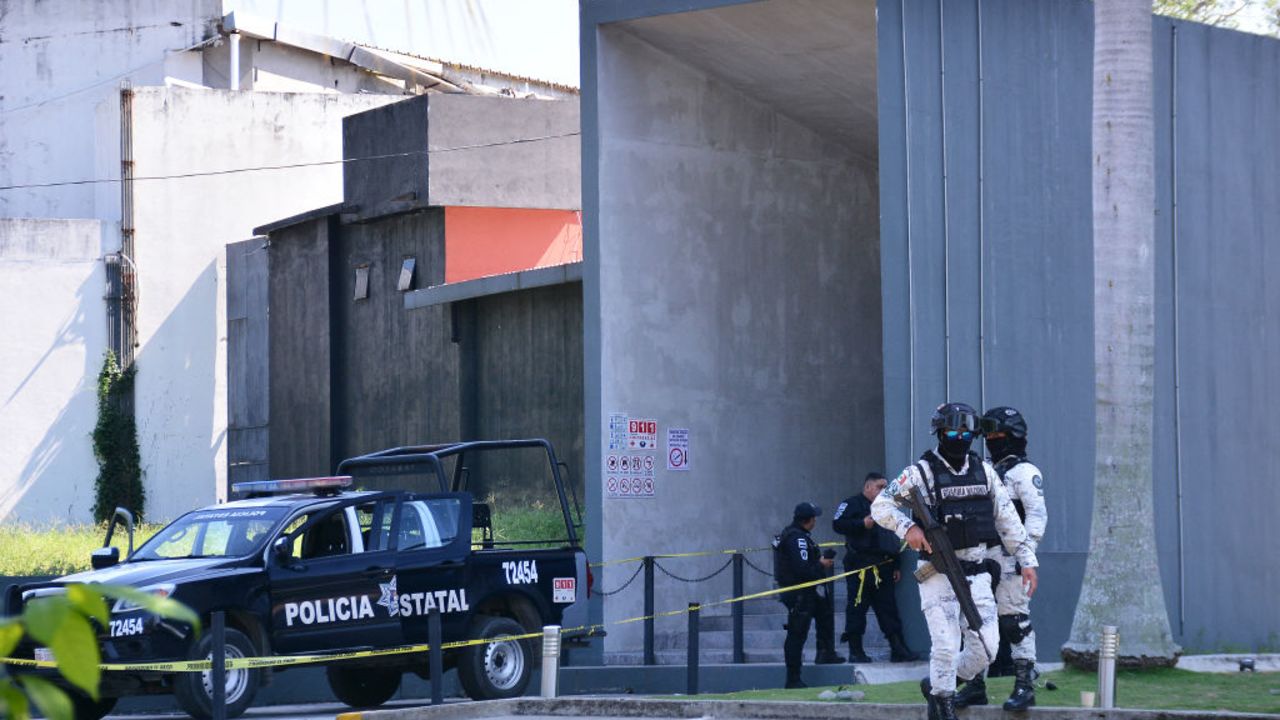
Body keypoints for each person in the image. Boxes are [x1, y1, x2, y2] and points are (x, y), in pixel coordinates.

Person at [871, 402, 1038, 720]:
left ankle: (937, 684)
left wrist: (1027, 559)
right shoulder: (920, 472)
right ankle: (943, 703)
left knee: (987, 648)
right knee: (945, 646)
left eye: (965, 431)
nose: (958, 437)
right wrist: (908, 527)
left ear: (974, 434)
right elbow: (881, 505)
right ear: (938, 431)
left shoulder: (984, 471)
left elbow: (1006, 519)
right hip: (937, 573)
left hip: (976, 573)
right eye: (951, 430)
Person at [956, 406, 1047, 711]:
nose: (993, 440)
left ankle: (1024, 685)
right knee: (974, 620)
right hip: (980, 554)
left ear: (1014, 435)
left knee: (1013, 622)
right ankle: (974, 684)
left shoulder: (1025, 472)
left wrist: (1027, 555)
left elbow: (1036, 515)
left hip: (1011, 556)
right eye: (990, 435)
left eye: (998, 435)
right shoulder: (982, 468)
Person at [832, 471, 921, 663]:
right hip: (861, 566)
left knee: (888, 609)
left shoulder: (887, 507)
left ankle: (898, 648)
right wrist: (861, 524)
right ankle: (855, 651)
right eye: (880, 487)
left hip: (884, 566)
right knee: (857, 608)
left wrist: (896, 564)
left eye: (885, 487)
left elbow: (893, 538)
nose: (883, 490)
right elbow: (837, 524)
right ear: (868, 487)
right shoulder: (851, 504)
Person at [773, 501, 840, 688]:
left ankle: (825, 653)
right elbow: (802, 569)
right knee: (797, 634)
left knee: (825, 615)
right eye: (814, 518)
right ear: (809, 520)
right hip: (799, 592)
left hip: (805, 590)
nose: (815, 521)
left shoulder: (794, 535)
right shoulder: (798, 538)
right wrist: (821, 564)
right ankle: (793, 679)